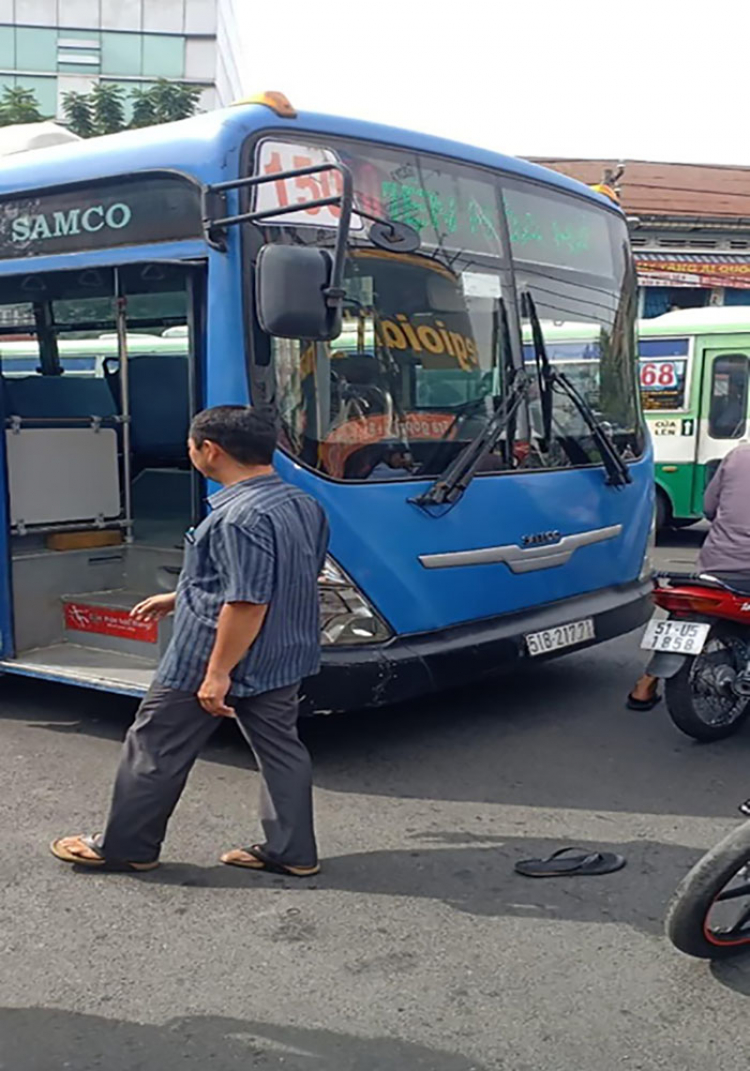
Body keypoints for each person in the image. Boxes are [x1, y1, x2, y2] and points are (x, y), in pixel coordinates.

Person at [51, 405, 329, 876]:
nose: (191, 453)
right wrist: (181, 595)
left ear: (210, 450)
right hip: (285, 653)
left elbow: (247, 602)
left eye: (191, 447)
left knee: (156, 744)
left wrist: (217, 672)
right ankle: (292, 852)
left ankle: (126, 847)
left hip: (210, 656)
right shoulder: (302, 504)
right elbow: (282, 577)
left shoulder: (236, 517)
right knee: (282, 750)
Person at [627, 442, 750, 710]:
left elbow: (709, 507)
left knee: (691, 611)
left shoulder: (738, 454)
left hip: (717, 565)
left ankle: (645, 685)